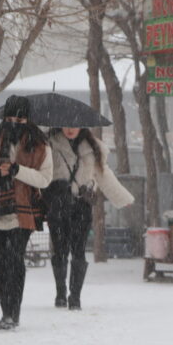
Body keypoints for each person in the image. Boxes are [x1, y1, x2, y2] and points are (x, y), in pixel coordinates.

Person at [0, 96, 52, 330]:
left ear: (28, 120)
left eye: (19, 120)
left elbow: (45, 179)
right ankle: (6, 312)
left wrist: (17, 170)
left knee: (15, 258)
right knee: (3, 260)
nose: (14, 124)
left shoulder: (40, 146)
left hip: (24, 210)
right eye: (9, 118)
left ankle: (14, 311)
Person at [45, 127, 134, 310]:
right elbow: (42, 172)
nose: (70, 129)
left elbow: (104, 174)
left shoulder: (93, 148)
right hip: (58, 204)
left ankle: (75, 297)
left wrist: (122, 197)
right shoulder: (49, 144)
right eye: (66, 125)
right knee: (60, 250)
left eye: (74, 125)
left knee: (79, 251)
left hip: (82, 205)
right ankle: (61, 292)